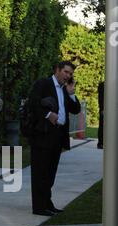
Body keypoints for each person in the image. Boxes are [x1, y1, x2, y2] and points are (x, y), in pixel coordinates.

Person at [29, 60, 81, 216]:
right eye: (66, 72)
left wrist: (71, 93)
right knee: (40, 173)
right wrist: (48, 114)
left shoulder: (65, 90)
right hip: (43, 135)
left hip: (57, 136)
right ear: (57, 70)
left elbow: (75, 109)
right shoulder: (43, 84)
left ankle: (47, 203)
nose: (68, 76)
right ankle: (39, 207)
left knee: (50, 173)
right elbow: (33, 103)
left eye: (70, 74)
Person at [97, 81, 104, 149]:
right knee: (102, 126)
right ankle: (100, 143)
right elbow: (100, 98)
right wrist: (102, 108)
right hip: (104, 109)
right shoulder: (102, 85)